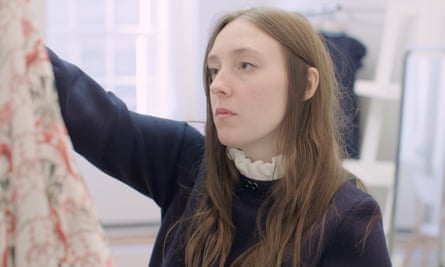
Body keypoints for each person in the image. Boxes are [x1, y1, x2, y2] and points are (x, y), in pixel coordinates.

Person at [47, 7, 392, 267]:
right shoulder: (186, 161)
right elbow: (90, 112)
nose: (217, 85)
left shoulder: (349, 217)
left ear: (306, 84)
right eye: (214, 69)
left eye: (245, 65)